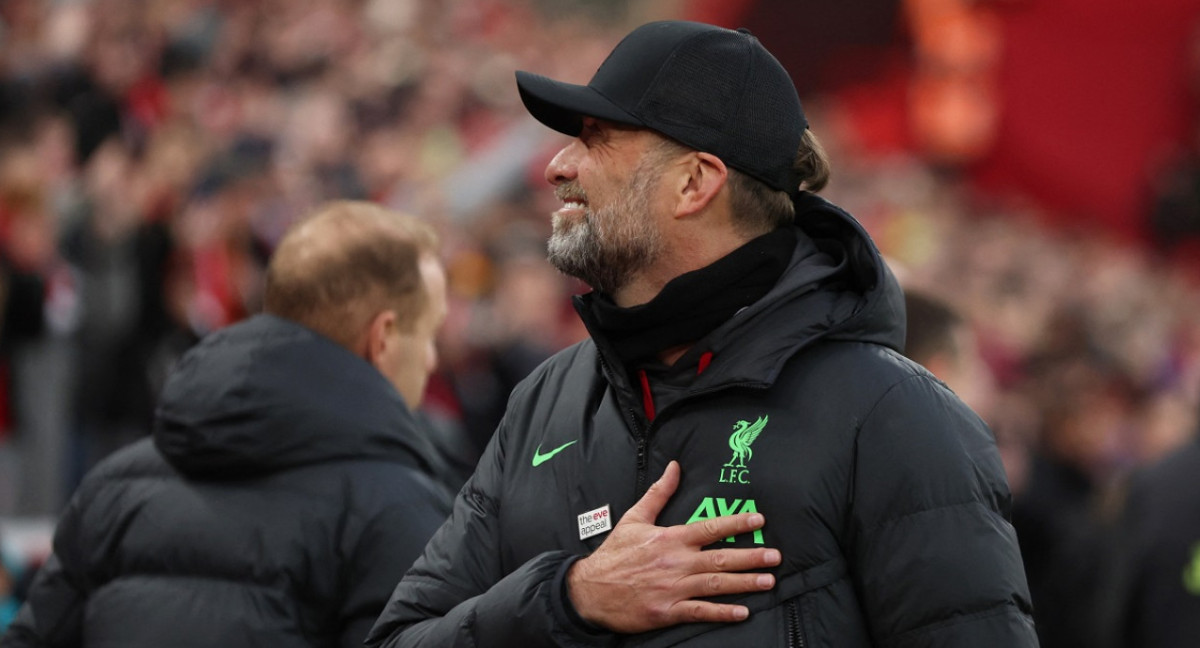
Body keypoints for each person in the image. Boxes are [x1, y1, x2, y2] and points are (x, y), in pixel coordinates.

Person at [368, 20, 1036, 647]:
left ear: (694, 182)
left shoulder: (896, 418)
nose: (557, 165)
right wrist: (569, 598)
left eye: (596, 137)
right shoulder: (546, 401)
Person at [1, 200, 454, 647]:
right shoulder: (401, 513)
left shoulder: (114, 487)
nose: (432, 359)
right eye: (429, 333)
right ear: (384, 337)